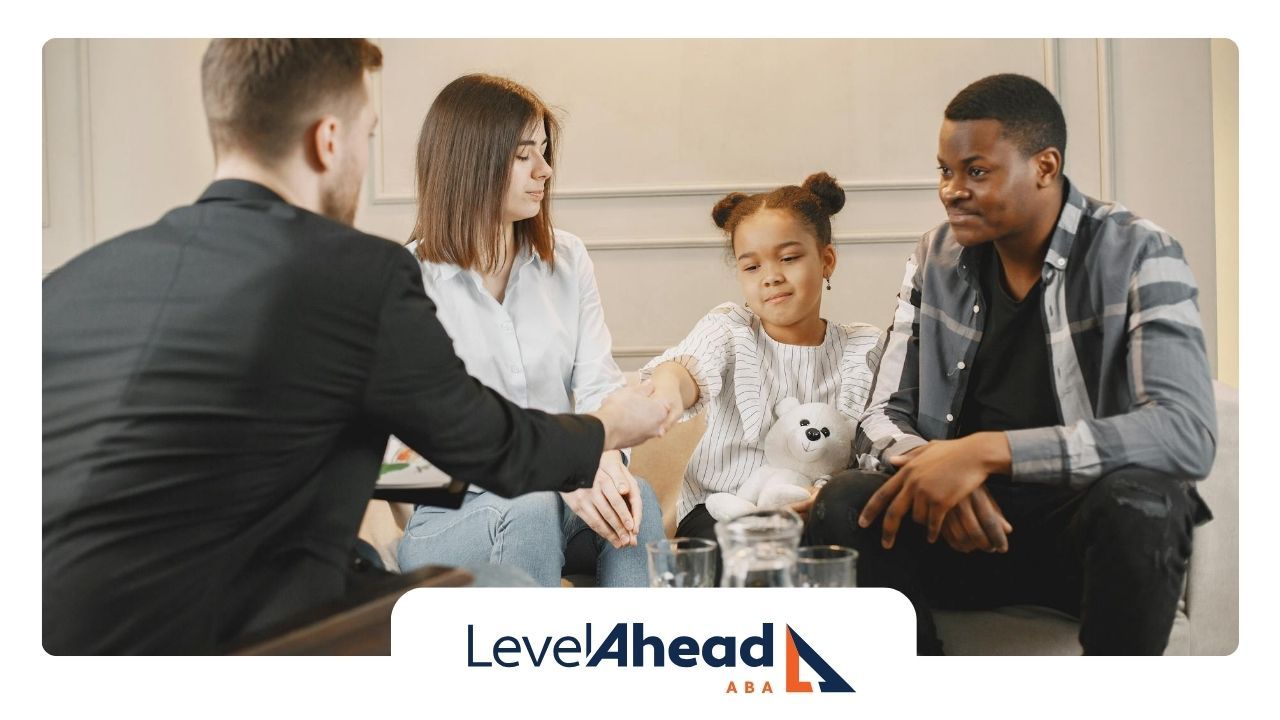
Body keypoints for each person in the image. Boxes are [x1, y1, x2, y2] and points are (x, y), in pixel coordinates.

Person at [42, 39, 668, 655]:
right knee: (500, 584)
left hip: (52, 643)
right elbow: (484, 443)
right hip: (228, 633)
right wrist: (607, 428)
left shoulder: (68, 287)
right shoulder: (356, 274)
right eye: (368, 137)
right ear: (330, 140)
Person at [807, 73, 1216, 655]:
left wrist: (984, 451)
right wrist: (936, 471)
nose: (952, 190)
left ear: (1045, 167)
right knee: (847, 501)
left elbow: (1186, 431)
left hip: (1081, 536)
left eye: (976, 171)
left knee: (1143, 500)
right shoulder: (934, 255)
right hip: (957, 531)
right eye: (945, 172)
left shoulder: (1140, 253)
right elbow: (882, 411)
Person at [392, 74, 665, 587]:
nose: (545, 170)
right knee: (532, 503)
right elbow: (405, 461)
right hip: (446, 516)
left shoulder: (568, 258)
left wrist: (600, 460)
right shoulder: (406, 280)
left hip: (562, 494)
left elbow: (599, 388)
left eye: (544, 150)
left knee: (638, 496)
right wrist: (557, 468)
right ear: (469, 161)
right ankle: (527, 664)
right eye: (524, 155)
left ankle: (645, 659)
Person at [642, 173, 881, 545]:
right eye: (752, 267)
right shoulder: (730, 328)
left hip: (818, 509)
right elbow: (687, 367)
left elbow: (880, 443)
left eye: (788, 258)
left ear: (826, 260)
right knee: (746, 558)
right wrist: (669, 389)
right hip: (721, 507)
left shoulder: (862, 347)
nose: (770, 277)